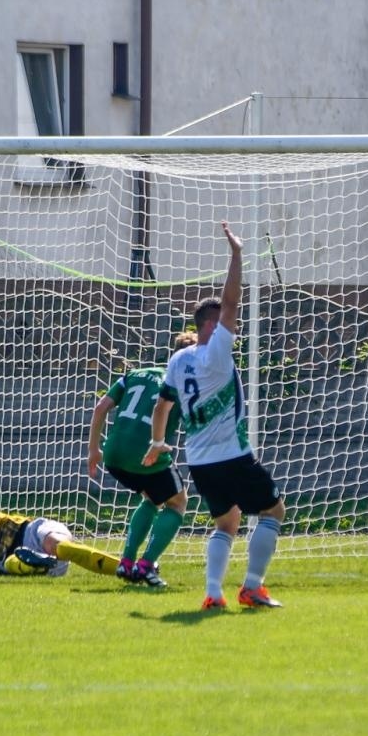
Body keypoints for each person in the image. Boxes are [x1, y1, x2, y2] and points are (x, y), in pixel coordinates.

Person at [142, 222, 285, 611]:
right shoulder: (217, 351)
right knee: (273, 511)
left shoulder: (178, 359)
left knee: (227, 523)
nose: (230, 323)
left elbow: (162, 405)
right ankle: (252, 587)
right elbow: (232, 302)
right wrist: (236, 255)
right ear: (211, 323)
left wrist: (158, 442)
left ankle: (213, 593)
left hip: (200, 461)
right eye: (222, 319)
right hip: (232, 455)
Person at [86, 331, 198, 588]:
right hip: (147, 454)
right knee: (178, 503)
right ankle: (146, 565)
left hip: (113, 454)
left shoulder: (135, 373)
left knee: (152, 497)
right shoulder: (183, 384)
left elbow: (100, 408)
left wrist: (94, 450)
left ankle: (126, 562)